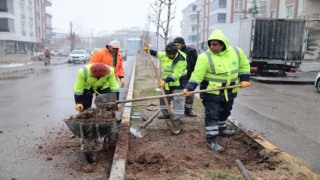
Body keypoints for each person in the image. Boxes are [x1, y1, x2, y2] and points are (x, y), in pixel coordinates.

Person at [183, 29, 250, 152]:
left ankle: (222, 129)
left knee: (225, 112)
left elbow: (244, 66)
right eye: (211, 44)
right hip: (211, 93)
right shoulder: (204, 57)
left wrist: (245, 78)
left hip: (230, 91)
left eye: (215, 44)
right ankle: (212, 140)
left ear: (223, 43)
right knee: (212, 116)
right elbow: (197, 74)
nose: (212, 47)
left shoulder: (236, 52)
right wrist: (189, 87)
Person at [144, 42, 187, 120]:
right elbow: (157, 54)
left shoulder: (181, 59)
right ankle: (166, 114)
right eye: (168, 54)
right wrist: (149, 50)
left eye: (172, 55)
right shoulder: (165, 54)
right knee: (163, 97)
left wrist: (164, 80)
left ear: (176, 52)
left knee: (178, 99)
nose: (170, 56)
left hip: (179, 81)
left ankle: (178, 118)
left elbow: (176, 75)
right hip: (167, 81)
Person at [173, 37, 198, 117]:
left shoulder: (191, 51)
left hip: (189, 76)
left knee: (189, 94)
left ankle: (188, 110)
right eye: (175, 45)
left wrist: (193, 75)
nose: (176, 47)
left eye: (178, 45)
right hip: (178, 77)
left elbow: (196, 63)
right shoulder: (174, 52)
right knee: (177, 94)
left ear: (183, 44)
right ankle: (178, 111)